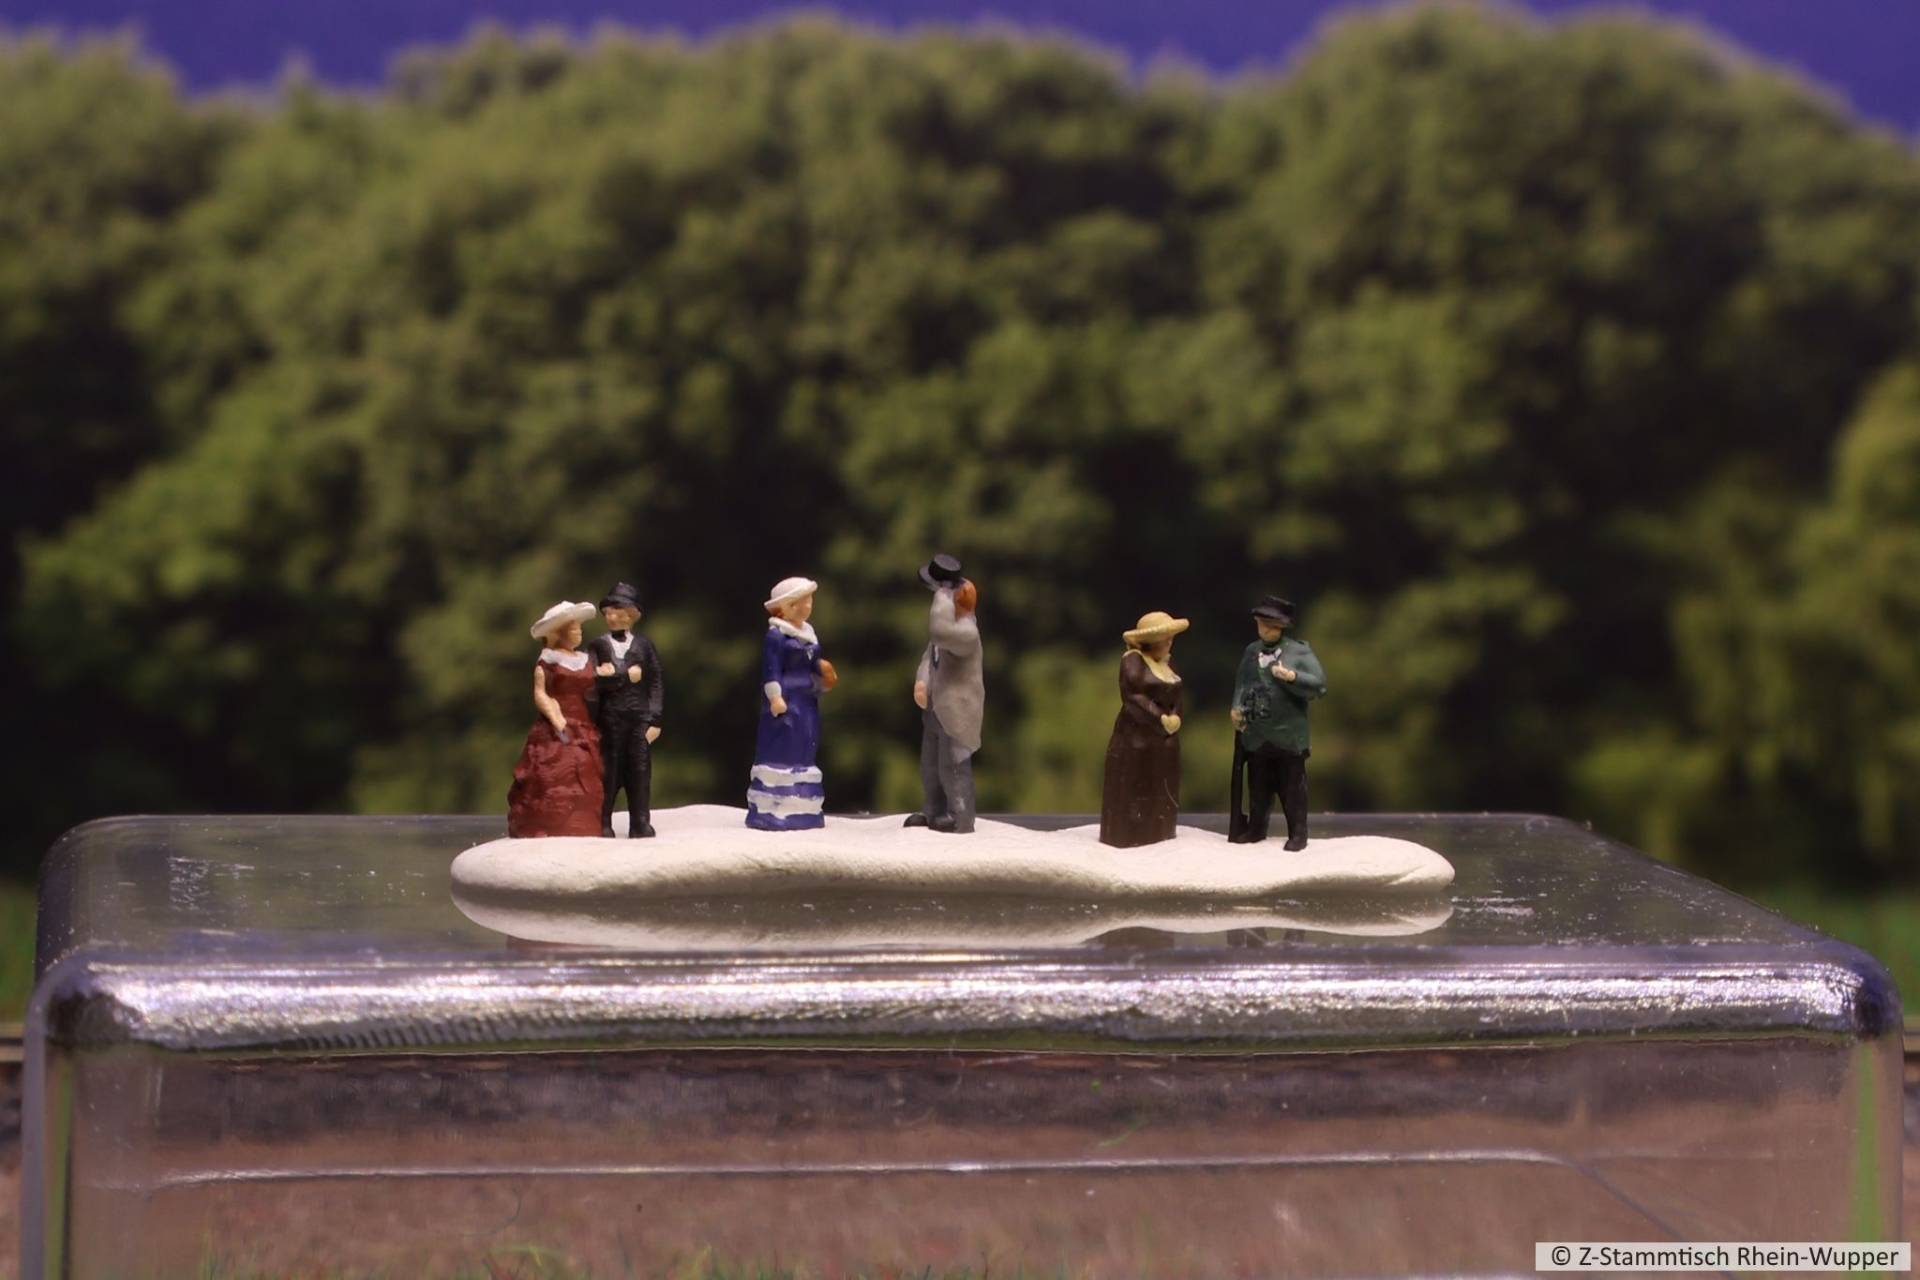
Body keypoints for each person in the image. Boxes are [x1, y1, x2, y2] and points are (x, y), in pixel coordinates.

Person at [1229, 595, 1327, 850]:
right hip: (1256, 734)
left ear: (1283, 627)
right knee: (1258, 786)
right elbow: (1242, 683)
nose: (1265, 630)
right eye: (1261, 624)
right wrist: (1236, 707)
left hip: (1289, 736)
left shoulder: (1300, 652)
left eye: (1271, 626)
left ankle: (1298, 834)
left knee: (1292, 788)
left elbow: (1319, 685)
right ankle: (1256, 829)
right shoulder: (1251, 652)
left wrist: (1292, 677)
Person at [746, 576, 838, 830]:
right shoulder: (776, 637)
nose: (807, 606)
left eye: (809, 601)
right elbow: (771, 669)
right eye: (800, 602)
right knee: (783, 745)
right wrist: (775, 697)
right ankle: (774, 807)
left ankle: (804, 804)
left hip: (806, 697)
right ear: (785, 607)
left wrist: (823, 673)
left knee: (806, 740)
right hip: (786, 698)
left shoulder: (808, 634)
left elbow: (812, 663)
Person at [506, 601, 604, 838]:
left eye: (579, 628)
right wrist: (554, 715)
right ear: (559, 633)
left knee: (586, 766)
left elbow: (594, 685)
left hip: (582, 720)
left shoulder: (583, 659)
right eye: (573, 629)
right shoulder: (548, 662)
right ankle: (548, 824)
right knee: (558, 767)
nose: (579, 633)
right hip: (558, 723)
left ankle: (584, 824)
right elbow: (540, 693)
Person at [906, 554, 984, 834]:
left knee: (952, 767)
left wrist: (942, 598)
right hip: (934, 708)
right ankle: (933, 810)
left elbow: (941, 633)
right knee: (930, 766)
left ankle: (959, 815)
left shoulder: (966, 633)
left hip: (955, 713)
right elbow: (930, 657)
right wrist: (922, 681)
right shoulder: (944, 635)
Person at [1099, 611, 1189, 848]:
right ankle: (1132, 835)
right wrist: (1159, 718)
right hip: (1137, 740)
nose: (1170, 643)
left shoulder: (1168, 664)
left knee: (1162, 789)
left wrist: (1175, 715)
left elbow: (1177, 696)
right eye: (1166, 638)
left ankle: (1160, 832)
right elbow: (1133, 697)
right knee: (1137, 788)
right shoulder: (1133, 661)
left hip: (1166, 741)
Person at [586, 581, 664, 838]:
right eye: (608, 612)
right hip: (609, 719)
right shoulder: (598, 646)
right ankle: (602, 822)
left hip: (638, 720)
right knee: (608, 771)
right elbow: (590, 681)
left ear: (631, 614)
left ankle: (640, 821)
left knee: (639, 772)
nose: (611, 617)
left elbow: (655, 682)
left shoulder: (644, 646)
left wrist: (655, 719)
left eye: (617, 611)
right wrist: (623, 675)